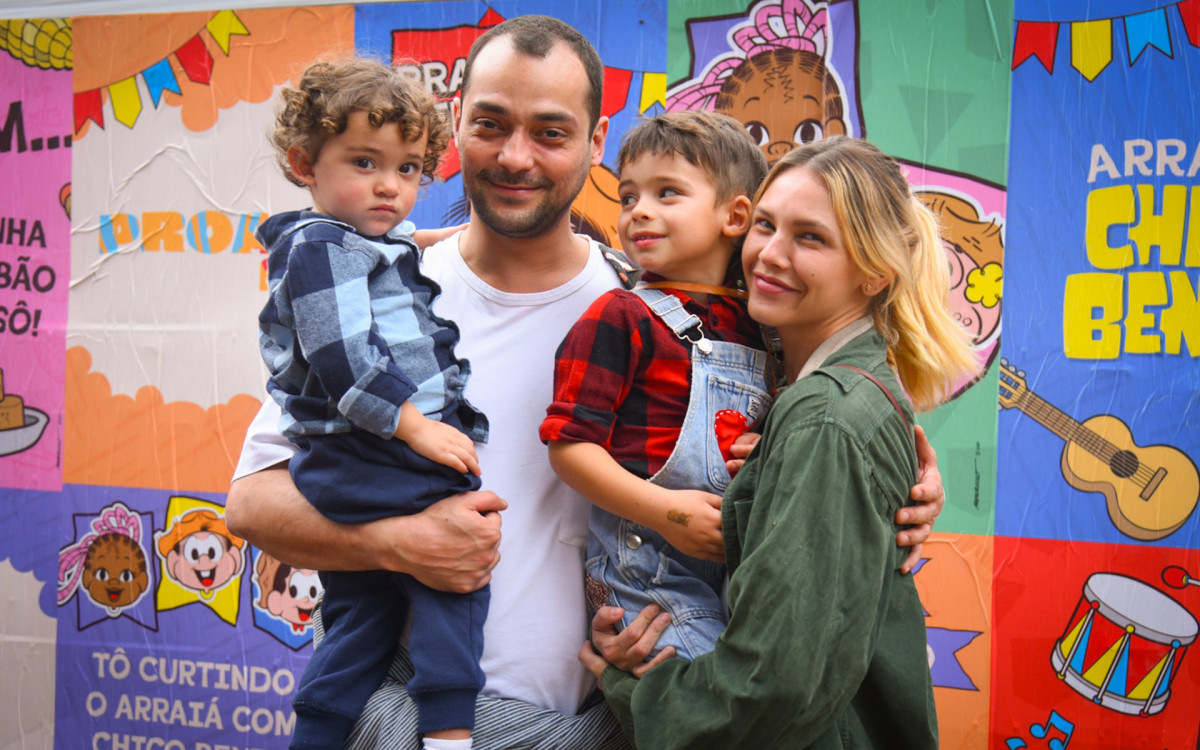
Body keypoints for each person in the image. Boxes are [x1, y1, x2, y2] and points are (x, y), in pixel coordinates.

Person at [226, 17, 946, 749]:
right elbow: (252, 504)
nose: (516, 156)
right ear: (456, 122)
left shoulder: (657, 307)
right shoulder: (374, 298)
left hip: (615, 719)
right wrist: (398, 542)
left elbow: (816, 406)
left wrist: (907, 480)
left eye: (549, 131)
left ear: (596, 142)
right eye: (491, 124)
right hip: (430, 718)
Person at [581, 136, 979, 749]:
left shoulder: (827, 418)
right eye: (765, 226)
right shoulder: (805, 380)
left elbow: (771, 686)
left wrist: (632, 687)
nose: (769, 254)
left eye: (810, 237)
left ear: (875, 272)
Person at [255, 59, 490, 749]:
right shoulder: (320, 251)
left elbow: (386, 246)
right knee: (457, 574)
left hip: (350, 454)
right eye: (365, 162)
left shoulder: (350, 237)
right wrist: (417, 427)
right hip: (371, 446)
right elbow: (346, 367)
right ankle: (450, 734)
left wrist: (439, 238)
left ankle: (318, 733)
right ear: (305, 163)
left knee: (364, 610)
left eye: (411, 169)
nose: (390, 186)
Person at [540, 111, 771, 660]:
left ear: (735, 214)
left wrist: (766, 449)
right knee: (708, 695)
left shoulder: (763, 324)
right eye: (628, 197)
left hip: (734, 562)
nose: (638, 211)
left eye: (668, 193)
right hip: (643, 570)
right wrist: (668, 512)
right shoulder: (621, 315)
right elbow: (570, 450)